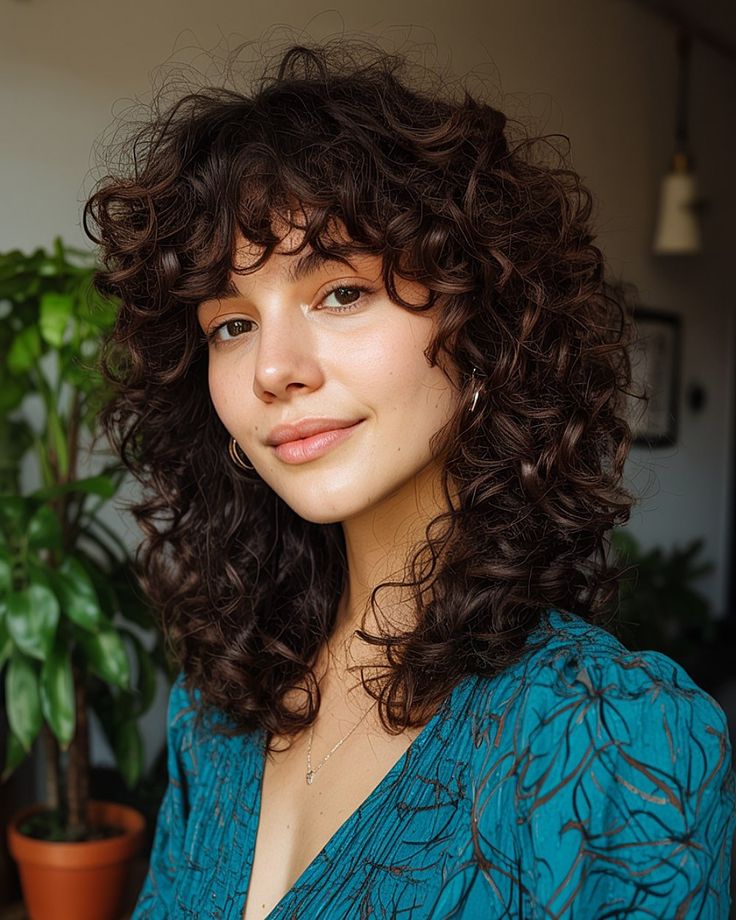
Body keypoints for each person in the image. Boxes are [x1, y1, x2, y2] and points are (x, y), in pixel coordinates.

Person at [84, 38, 735, 919]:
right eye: (231, 324)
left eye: (341, 293)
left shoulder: (612, 740)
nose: (275, 367)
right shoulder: (216, 707)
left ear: (481, 320)